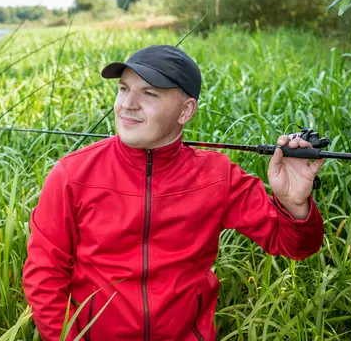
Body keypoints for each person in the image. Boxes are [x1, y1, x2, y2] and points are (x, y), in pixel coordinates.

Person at [22, 45, 325, 341]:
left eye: (149, 93)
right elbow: (44, 275)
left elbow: (295, 246)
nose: (127, 104)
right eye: (124, 89)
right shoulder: (72, 174)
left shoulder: (218, 176)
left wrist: (293, 202)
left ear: (186, 110)